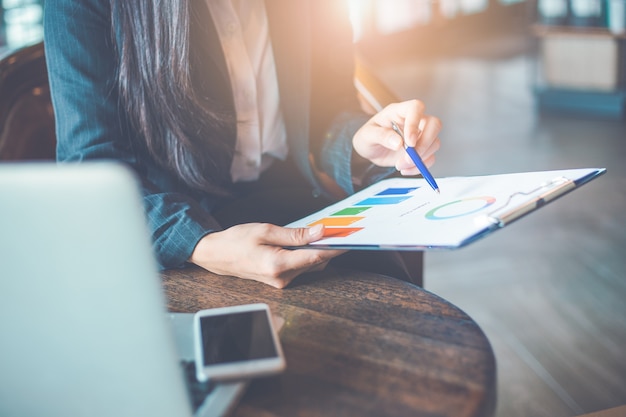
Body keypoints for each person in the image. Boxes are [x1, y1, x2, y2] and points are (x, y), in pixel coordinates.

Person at [43, 0, 442, 289]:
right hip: (172, 231)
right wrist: (200, 245)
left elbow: (326, 109)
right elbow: (91, 167)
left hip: (296, 205)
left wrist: (357, 144)